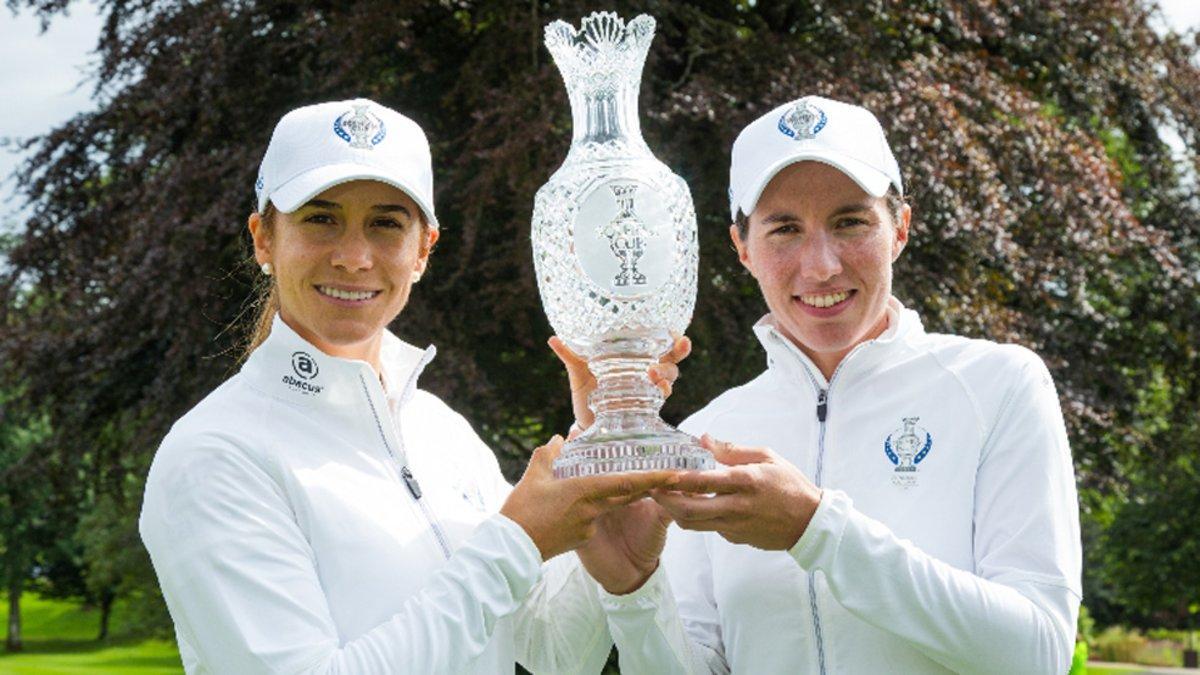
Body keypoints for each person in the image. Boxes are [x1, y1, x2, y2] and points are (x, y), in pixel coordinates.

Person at [138, 98, 687, 674]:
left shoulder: (440, 429)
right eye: (320, 219)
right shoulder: (213, 454)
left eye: (385, 223)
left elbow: (551, 652)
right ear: (263, 240)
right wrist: (516, 543)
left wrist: (617, 564)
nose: (353, 258)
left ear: (423, 250)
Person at [582, 96, 1083, 674]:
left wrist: (817, 530)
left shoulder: (999, 386)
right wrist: (635, 592)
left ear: (899, 228)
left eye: (850, 222)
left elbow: (1040, 652)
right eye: (784, 229)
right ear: (742, 248)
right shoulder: (706, 434)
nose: (821, 266)